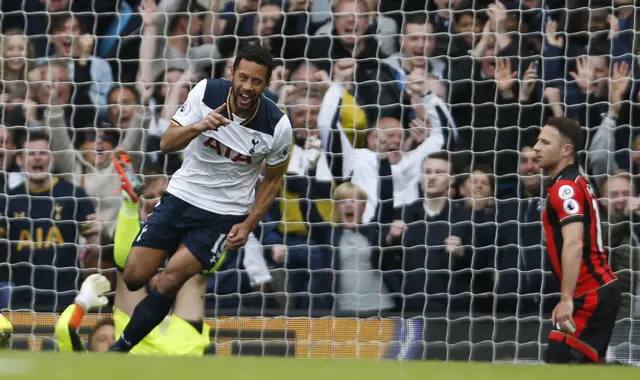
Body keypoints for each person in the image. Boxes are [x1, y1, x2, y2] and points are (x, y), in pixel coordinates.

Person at [109, 44, 292, 353]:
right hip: (181, 196)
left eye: (256, 81)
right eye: (243, 78)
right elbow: (167, 142)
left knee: (170, 279)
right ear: (232, 73)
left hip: (224, 213)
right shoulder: (206, 93)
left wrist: (248, 225)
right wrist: (199, 125)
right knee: (134, 276)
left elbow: (273, 180)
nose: (247, 87)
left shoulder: (278, 126)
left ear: (266, 83)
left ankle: (119, 351)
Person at [56, 149, 211, 355]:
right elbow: (64, 330)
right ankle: (210, 204)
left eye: (109, 337)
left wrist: (84, 300)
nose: (111, 341)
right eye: (105, 339)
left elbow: (64, 331)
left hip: (137, 347)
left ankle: (130, 206)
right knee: (196, 275)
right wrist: (83, 300)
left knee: (133, 277)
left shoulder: (90, 368)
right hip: (179, 350)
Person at [533, 116, 621, 364]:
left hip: (591, 293)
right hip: (594, 290)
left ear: (566, 150)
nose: (536, 147)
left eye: (545, 142)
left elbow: (573, 243)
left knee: (559, 363)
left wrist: (566, 299)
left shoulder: (566, 188)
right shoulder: (575, 182)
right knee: (581, 367)